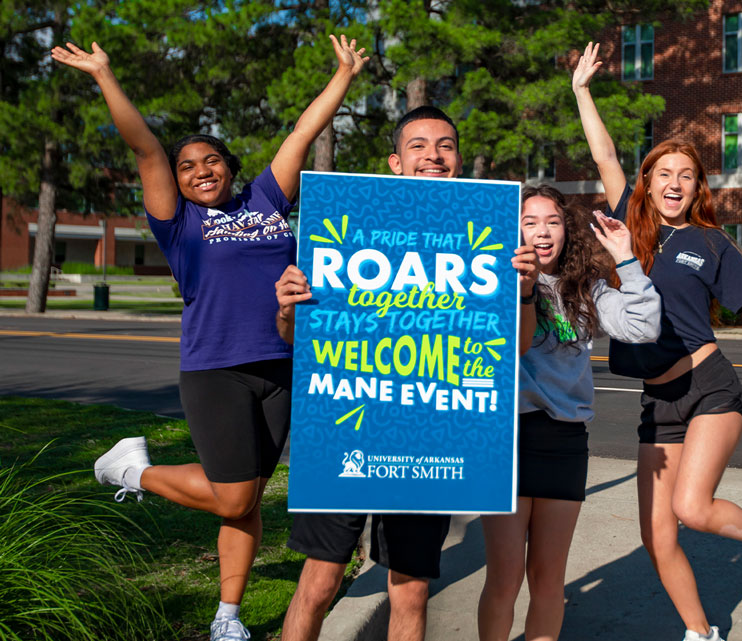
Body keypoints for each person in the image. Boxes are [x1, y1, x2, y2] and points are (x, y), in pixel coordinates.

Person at [52, 35, 368, 641]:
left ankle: (228, 617)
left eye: (211, 161)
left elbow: (301, 133)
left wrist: (345, 76)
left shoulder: (265, 198)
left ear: (230, 165)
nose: (202, 172)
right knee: (231, 496)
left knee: (245, 500)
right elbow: (144, 145)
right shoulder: (179, 224)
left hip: (285, 364)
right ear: (175, 180)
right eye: (188, 167)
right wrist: (103, 74)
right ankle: (129, 471)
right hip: (216, 367)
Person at [572, 42, 742, 641]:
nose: (674, 183)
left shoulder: (712, 244)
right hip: (658, 401)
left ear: (698, 187)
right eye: (663, 174)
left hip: (708, 387)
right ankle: (702, 633)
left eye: (687, 176)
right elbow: (602, 154)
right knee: (658, 537)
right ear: (646, 182)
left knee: (692, 509)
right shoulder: (630, 220)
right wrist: (581, 90)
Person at [273, 106, 465, 641]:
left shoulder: (480, 230)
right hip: (345, 427)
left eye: (445, 145)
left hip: (428, 433)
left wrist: (518, 291)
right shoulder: (348, 219)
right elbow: (297, 339)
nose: (433, 155)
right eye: (420, 146)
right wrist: (289, 310)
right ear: (396, 161)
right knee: (319, 581)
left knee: (410, 588)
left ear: (457, 158)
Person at [476, 185, 661, 641]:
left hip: (564, 442)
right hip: (505, 439)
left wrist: (625, 256)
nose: (542, 232)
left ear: (567, 231)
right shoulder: (490, 280)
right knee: (504, 579)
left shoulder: (586, 288)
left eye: (552, 222)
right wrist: (517, 291)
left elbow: (644, 324)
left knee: (547, 581)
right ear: (513, 229)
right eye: (530, 222)